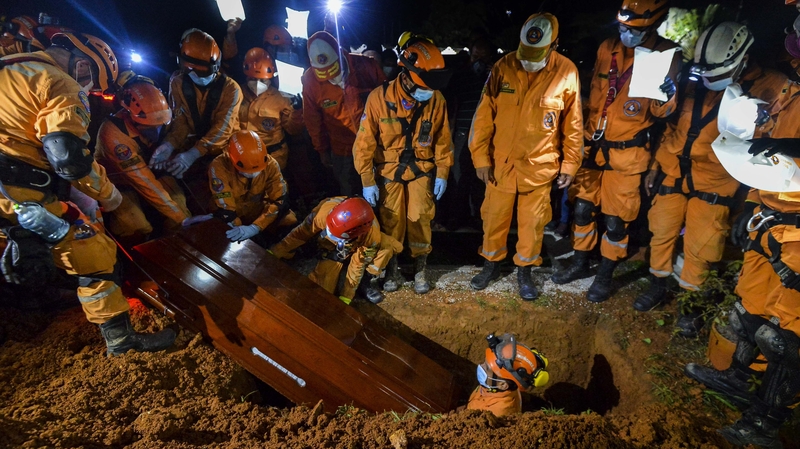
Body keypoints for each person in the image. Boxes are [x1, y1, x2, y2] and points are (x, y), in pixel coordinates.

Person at [0, 31, 175, 355]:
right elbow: (69, 159)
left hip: (11, 192)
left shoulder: (10, 67)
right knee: (95, 250)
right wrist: (110, 196)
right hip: (20, 190)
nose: (89, 91)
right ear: (82, 67)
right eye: (91, 84)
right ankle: (121, 341)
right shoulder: (59, 83)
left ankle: (33, 292)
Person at [684, 8, 800, 446]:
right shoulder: (788, 88)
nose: (791, 32)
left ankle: (768, 422)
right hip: (771, 215)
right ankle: (738, 379)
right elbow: (761, 159)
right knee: (750, 305)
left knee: (787, 334)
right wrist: (752, 211)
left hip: (797, 228)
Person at [637, 22, 787, 336]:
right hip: (674, 169)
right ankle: (657, 284)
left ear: (742, 61)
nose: (707, 79)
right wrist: (655, 164)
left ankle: (690, 306)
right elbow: (668, 124)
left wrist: (764, 125)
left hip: (716, 180)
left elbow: (773, 147)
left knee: (702, 246)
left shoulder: (771, 87)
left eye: (714, 74)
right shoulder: (694, 79)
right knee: (661, 230)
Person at [551, 0, 681, 304]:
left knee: (616, 221)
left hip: (629, 155)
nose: (626, 33)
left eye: (633, 29)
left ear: (653, 26)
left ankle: (605, 275)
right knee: (582, 210)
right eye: (622, 26)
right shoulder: (606, 48)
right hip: (593, 149)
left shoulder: (665, 56)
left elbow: (662, 114)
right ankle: (581, 263)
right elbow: (596, 97)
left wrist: (668, 95)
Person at [468, 13, 583, 301]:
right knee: (494, 219)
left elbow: (574, 124)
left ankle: (525, 272)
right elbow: (482, 117)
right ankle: (491, 264)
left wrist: (570, 164)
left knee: (532, 225)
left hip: (539, 167)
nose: (528, 59)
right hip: (500, 165)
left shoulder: (567, 72)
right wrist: (481, 158)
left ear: (554, 44)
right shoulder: (503, 66)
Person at [352, 39, 454, 295]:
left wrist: (442, 172)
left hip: (421, 168)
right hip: (388, 171)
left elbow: (443, 139)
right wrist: (367, 180)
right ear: (406, 76)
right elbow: (364, 143)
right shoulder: (379, 99)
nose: (428, 91)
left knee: (420, 216)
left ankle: (420, 265)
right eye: (424, 85)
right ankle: (392, 266)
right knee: (392, 221)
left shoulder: (436, 98)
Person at [95, 81, 190, 244]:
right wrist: (182, 219)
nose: (156, 131)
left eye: (160, 125)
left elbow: (180, 128)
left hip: (149, 171)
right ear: (130, 116)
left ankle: (177, 248)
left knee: (181, 209)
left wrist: (169, 144)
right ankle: (133, 256)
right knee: (135, 226)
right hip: (118, 182)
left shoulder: (159, 113)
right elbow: (143, 181)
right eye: (149, 127)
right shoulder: (114, 136)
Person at [151, 28, 242, 190]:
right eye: (192, 69)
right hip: (194, 146)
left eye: (204, 70)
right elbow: (180, 122)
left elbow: (223, 128)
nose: (199, 75)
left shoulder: (231, 90)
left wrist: (193, 153)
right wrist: (169, 145)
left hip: (223, 150)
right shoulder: (178, 83)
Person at [269, 197, 402, 304]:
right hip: (333, 250)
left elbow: (358, 265)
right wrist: (275, 251)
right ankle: (335, 263)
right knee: (320, 294)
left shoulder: (371, 237)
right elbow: (299, 234)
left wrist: (347, 296)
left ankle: (366, 281)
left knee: (388, 247)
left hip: (356, 247)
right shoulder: (322, 214)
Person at [302, 31, 385, 196]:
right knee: (350, 197)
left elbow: (388, 102)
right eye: (326, 78)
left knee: (383, 193)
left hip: (377, 144)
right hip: (343, 151)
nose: (333, 80)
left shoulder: (367, 67)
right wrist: (322, 150)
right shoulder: (310, 81)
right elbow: (312, 120)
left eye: (334, 72)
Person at [439, 38, 494, 231]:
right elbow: (452, 105)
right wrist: (450, 135)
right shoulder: (461, 76)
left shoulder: (495, 77)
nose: (478, 60)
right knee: (459, 176)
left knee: (482, 178)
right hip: (463, 133)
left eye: (483, 56)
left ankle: (478, 217)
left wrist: (493, 76)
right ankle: (456, 216)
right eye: (475, 55)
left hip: (487, 135)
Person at [208, 130, 297, 244]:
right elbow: (226, 207)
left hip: (257, 208)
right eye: (247, 170)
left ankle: (280, 253)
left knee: (289, 220)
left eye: (257, 170)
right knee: (232, 233)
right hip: (230, 211)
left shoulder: (271, 165)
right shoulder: (219, 166)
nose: (252, 174)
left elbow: (280, 200)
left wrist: (256, 227)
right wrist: (240, 228)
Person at [238, 47, 303, 170]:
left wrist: (297, 110)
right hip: (241, 154)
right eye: (253, 79)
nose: (257, 84)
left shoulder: (280, 98)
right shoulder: (237, 93)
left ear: (270, 78)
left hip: (272, 156)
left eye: (262, 80)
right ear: (246, 76)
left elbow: (293, 130)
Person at [467, 333, 549, 417]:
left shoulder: (496, 413)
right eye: (485, 362)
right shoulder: (494, 385)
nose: (481, 366)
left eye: (487, 368)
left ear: (503, 385)